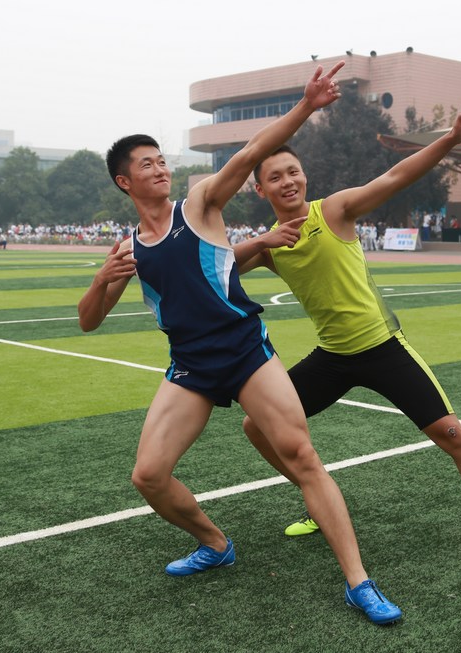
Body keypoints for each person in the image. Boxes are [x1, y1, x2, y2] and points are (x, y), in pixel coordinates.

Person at [77, 63, 401, 626]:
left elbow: (250, 153)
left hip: (247, 352)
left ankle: (359, 582)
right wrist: (102, 279)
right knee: (148, 476)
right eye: (146, 164)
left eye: (161, 160)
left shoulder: (199, 205)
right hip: (191, 367)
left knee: (301, 456)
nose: (160, 169)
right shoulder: (128, 248)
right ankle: (215, 543)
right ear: (124, 182)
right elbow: (88, 321)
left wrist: (306, 107)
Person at [235, 94, 461, 577]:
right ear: (260, 190)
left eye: (293, 172)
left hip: (383, 348)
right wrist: (259, 241)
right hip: (332, 358)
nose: (288, 181)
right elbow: (212, 266)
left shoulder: (334, 211)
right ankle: (318, 499)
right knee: (257, 426)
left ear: (305, 175)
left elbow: (396, 176)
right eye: (275, 177)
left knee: (453, 436)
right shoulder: (268, 245)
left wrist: (451, 138)